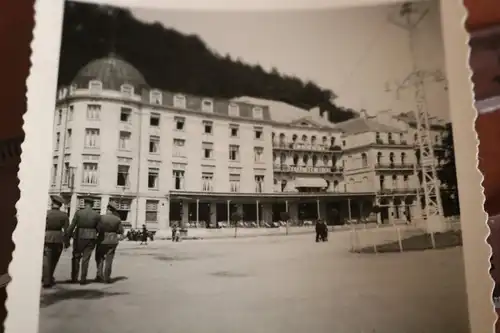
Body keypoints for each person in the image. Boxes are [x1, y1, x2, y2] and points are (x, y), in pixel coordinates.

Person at [66, 197, 100, 285]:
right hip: (91, 237)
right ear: (92, 205)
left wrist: (68, 236)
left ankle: (74, 278)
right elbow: (99, 228)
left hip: (79, 236)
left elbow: (72, 225)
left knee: (76, 257)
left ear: (84, 204)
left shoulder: (78, 213)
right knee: (86, 259)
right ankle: (83, 279)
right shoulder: (96, 215)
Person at [42, 195, 69, 288]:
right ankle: (49, 278)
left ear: (52, 203)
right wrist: (67, 243)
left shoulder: (46, 213)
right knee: (54, 260)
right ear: (60, 205)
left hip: (46, 237)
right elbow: (66, 230)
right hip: (58, 238)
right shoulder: (64, 215)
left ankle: (46, 280)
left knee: (46, 260)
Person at [95, 202, 124, 283]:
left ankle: (99, 275)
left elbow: (98, 228)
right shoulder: (117, 219)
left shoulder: (101, 218)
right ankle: (107, 277)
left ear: (107, 208)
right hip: (113, 240)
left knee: (99, 258)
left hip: (102, 239)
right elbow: (120, 231)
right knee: (109, 259)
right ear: (113, 210)